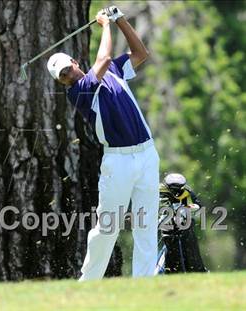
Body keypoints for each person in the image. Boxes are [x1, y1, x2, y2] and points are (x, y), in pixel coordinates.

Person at [46, 6, 160, 280]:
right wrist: (105, 24)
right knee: (108, 227)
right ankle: (88, 283)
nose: (67, 75)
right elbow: (105, 56)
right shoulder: (80, 91)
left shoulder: (115, 71)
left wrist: (121, 20)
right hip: (118, 161)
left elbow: (141, 54)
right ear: (62, 83)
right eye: (62, 76)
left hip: (146, 153)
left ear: (74, 61)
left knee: (146, 225)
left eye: (67, 69)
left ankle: (145, 284)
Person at [159, 173, 207, 273]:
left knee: (191, 253)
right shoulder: (159, 190)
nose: (176, 191)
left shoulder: (187, 191)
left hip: (185, 227)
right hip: (165, 227)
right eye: (173, 188)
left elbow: (199, 206)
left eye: (179, 188)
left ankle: (196, 270)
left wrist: (185, 209)